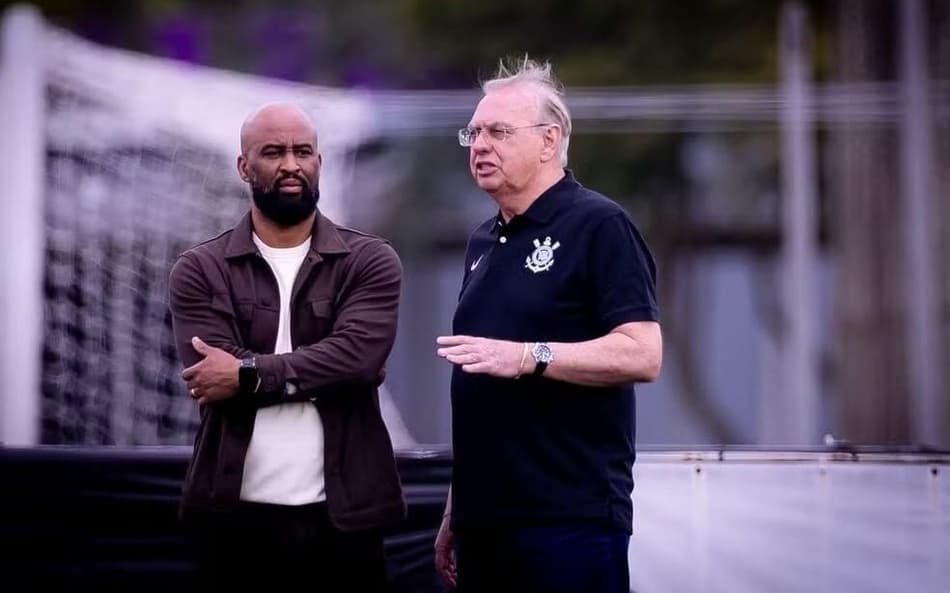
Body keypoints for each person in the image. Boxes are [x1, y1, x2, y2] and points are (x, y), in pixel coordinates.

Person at [434, 57, 663, 593]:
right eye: (474, 132)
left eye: (498, 132)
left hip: (568, 520)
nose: (479, 145)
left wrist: (528, 356)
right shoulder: (482, 241)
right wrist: (454, 508)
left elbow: (642, 353)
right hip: (484, 523)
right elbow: (479, 392)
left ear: (548, 140)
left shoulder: (600, 225)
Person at [167, 102, 405, 592]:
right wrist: (319, 369)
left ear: (320, 161)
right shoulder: (199, 269)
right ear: (244, 166)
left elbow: (358, 360)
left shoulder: (369, 260)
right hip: (232, 521)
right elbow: (210, 374)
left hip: (345, 520)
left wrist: (247, 374)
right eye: (273, 152)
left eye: (303, 152)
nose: (291, 164)